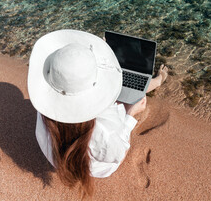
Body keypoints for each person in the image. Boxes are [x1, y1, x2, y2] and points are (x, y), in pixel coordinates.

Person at [27, 29, 168, 198]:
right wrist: (131, 115)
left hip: (56, 158)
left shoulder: (45, 108)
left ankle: (153, 82)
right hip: (96, 167)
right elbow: (118, 153)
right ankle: (158, 80)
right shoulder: (102, 132)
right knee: (131, 101)